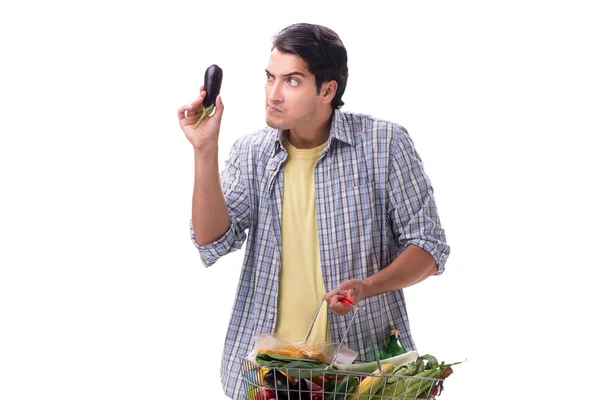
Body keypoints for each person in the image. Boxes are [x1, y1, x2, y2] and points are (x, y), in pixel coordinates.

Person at [178, 23, 450, 399]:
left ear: (327, 90)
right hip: (267, 375)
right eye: (269, 77)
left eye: (291, 81)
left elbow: (429, 247)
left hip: (359, 374)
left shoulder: (384, 144)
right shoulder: (252, 153)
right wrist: (204, 149)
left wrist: (367, 287)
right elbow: (211, 240)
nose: (273, 94)